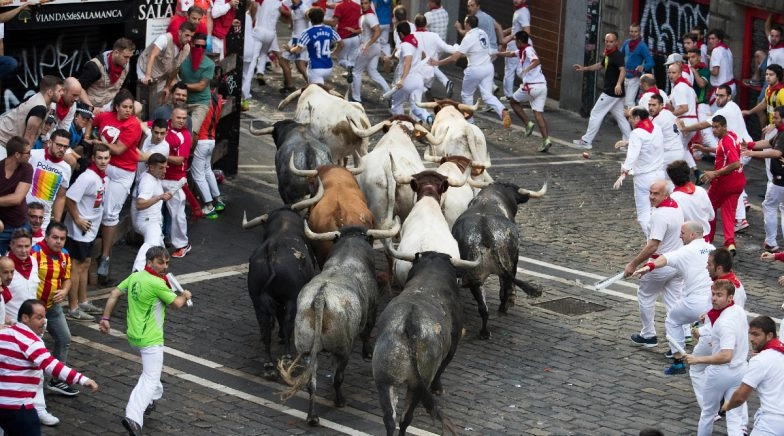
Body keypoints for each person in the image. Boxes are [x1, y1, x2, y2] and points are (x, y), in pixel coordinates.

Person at [99, 246, 192, 435]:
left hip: (133, 335)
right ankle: (133, 416)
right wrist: (184, 295)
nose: (164, 266)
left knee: (153, 375)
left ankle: (149, 401)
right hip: (150, 339)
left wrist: (105, 319)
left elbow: (115, 294)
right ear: (149, 262)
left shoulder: (135, 277)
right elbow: (176, 304)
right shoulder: (157, 284)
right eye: (160, 262)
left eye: (167, 262)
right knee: (150, 379)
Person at [0, 299, 98, 435]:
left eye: (45, 317)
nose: (44, 321)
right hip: (19, 406)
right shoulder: (31, 342)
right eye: (39, 318)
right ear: (25, 318)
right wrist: (82, 380)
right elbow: (52, 366)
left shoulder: (5, 333)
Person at [633, 221, 714, 375]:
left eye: (682, 233)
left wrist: (647, 267)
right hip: (715, 302)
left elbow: (665, 259)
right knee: (712, 332)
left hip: (695, 303)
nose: (679, 236)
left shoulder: (686, 251)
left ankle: (677, 360)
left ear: (691, 235)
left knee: (673, 320)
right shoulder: (711, 248)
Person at [624, 180, 684, 347]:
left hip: (660, 264)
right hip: (677, 263)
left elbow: (652, 245)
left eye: (656, 193)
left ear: (666, 194)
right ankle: (678, 341)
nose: (651, 197)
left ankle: (648, 334)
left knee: (646, 296)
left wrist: (633, 263)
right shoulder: (675, 206)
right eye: (650, 193)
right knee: (673, 302)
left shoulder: (660, 215)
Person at [685, 279, 748, 436]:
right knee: (735, 418)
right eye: (713, 294)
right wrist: (703, 331)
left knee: (708, 413)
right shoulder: (738, 311)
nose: (714, 298)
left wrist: (698, 359)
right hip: (740, 371)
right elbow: (718, 328)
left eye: (719, 295)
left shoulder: (724, 322)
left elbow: (726, 355)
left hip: (721, 373)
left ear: (729, 298)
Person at [92, 90, 143, 284]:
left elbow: (120, 149)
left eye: (131, 107)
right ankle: (95, 249)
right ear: (117, 107)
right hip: (104, 166)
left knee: (110, 213)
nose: (128, 110)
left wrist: (97, 142)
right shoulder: (106, 116)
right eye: (125, 107)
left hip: (123, 171)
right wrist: (89, 132)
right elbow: (92, 120)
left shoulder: (133, 125)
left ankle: (104, 257)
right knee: (96, 206)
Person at [431, 15, 512, 128]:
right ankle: (502, 110)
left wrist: (438, 63)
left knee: (467, 95)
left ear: (468, 24)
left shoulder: (469, 37)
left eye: (465, 22)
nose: (464, 24)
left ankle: (470, 123)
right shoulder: (482, 33)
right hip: (488, 68)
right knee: (487, 95)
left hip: (475, 69)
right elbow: (472, 51)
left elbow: (455, 58)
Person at [30, 222, 80, 393]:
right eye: (55, 237)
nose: (59, 241)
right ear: (46, 236)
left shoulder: (65, 255)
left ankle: (57, 380)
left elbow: (67, 278)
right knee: (34, 347)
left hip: (52, 307)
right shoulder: (34, 253)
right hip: (33, 311)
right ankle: (31, 385)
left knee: (64, 338)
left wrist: (65, 290)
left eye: (62, 239)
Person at [64, 144, 110, 320]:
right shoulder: (88, 177)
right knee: (76, 267)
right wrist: (77, 219)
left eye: (106, 158)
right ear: (93, 159)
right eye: (100, 158)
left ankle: (83, 301)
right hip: (79, 231)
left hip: (90, 229)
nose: (103, 161)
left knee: (85, 264)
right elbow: (69, 197)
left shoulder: (102, 178)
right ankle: (73, 307)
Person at [721, 315, 784, 434]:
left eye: (756, 334)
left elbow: (740, 397)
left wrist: (728, 406)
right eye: (750, 333)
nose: (751, 338)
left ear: (769, 335)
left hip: (771, 423)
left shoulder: (760, 360)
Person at [694, 115, 746, 255]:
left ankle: (706, 241)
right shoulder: (732, 136)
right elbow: (721, 151)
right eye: (713, 127)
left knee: (707, 208)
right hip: (738, 182)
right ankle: (730, 243)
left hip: (724, 183)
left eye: (717, 127)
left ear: (724, 127)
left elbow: (735, 163)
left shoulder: (726, 141)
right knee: (728, 214)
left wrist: (715, 173)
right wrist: (705, 149)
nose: (714, 130)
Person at [571, 32, 631, 149]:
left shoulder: (617, 55)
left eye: (611, 41)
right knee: (620, 118)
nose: (608, 43)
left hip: (611, 92)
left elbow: (623, 71)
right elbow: (600, 65)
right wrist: (584, 68)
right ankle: (631, 143)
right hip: (615, 93)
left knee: (595, 113)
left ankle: (586, 141)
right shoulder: (609, 54)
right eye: (607, 41)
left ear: (616, 42)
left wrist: (618, 84)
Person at [612, 107, 664, 237]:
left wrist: (623, 173)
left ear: (637, 118)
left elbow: (632, 157)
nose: (628, 120)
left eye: (630, 117)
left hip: (644, 178)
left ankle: (653, 241)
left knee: (643, 215)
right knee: (657, 211)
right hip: (659, 175)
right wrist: (628, 143)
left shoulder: (637, 133)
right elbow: (648, 143)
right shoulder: (656, 128)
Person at [499, 30, 551, 152]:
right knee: (538, 114)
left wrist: (527, 69)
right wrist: (496, 53)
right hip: (542, 87)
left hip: (531, 87)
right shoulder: (522, 50)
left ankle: (527, 123)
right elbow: (511, 53)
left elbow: (536, 60)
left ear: (518, 41)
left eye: (515, 40)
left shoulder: (528, 50)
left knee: (513, 101)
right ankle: (546, 140)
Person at [743, 106, 784, 252]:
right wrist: (750, 145)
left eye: (777, 117)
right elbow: (768, 143)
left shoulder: (783, 133)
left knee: (770, 206)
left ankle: (771, 242)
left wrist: (751, 153)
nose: (774, 120)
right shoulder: (779, 133)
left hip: (780, 181)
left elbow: (775, 152)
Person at [0, 76, 63, 158]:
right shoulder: (39, 108)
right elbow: (28, 139)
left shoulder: (38, 98)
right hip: (2, 144)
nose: (62, 93)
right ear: (50, 92)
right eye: (59, 91)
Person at [25, 129, 73, 231]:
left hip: (43, 219)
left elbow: (61, 197)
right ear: (50, 142)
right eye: (59, 145)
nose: (62, 149)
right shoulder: (33, 155)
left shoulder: (66, 168)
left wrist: (56, 223)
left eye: (65, 147)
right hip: (24, 212)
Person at [131, 154, 171, 273]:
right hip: (148, 221)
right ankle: (136, 272)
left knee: (162, 253)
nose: (164, 171)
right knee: (151, 244)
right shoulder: (147, 181)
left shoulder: (153, 177)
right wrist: (159, 198)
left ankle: (159, 276)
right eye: (160, 168)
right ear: (151, 167)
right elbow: (140, 204)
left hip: (153, 220)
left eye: (165, 167)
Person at [162, 105, 193, 258]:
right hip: (158, 177)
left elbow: (180, 159)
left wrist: (159, 156)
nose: (181, 121)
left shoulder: (185, 136)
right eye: (178, 118)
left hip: (175, 180)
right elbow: (145, 126)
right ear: (171, 118)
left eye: (184, 118)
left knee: (177, 214)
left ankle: (182, 244)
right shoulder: (163, 126)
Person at [77, 37, 136, 114]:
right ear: (116, 52)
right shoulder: (95, 66)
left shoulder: (127, 66)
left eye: (130, 57)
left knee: (137, 106)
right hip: (94, 106)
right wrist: (91, 107)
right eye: (125, 57)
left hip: (112, 105)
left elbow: (123, 89)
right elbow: (80, 89)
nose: (128, 60)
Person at [137, 21, 195, 96]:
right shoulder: (165, 38)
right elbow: (152, 55)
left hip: (161, 75)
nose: (189, 39)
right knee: (147, 97)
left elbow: (176, 68)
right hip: (145, 69)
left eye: (191, 36)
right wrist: (147, 76)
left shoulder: (187, 48)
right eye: (187, 35)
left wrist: (167, 86)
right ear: (180, 32)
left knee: (162, 97)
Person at [387, 22, 430, 123]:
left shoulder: (405, 45)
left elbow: (408, 62)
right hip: (418, 80)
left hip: (407, 80)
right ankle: (428, 118)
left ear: (401, 34)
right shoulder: (415, 41)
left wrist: (402, 80)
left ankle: (403, 125)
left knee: (396, 104)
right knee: (416, 108)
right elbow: (423, 55)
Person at [288, 7, 342, 85]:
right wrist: (333, 53)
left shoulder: (307, 32)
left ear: (310, 18)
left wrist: (290, 49)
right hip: (328, 67)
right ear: (323, 17)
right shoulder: (329, 30)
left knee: (316, 93)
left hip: (315, 69)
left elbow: (297, 50)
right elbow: (341, 44)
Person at [350, 0, 390, 103]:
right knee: (373, 72)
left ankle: (356, 98)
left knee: (356, 72)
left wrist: (367, 44)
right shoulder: (366, 15)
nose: (363, 5)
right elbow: (366, 30)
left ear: (370, 4)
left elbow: (378, 32)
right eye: (362, 3)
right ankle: (389, 93)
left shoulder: (369, 16)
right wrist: (355, 31)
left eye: (366, 3)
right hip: (375, 48)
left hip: (369, 48)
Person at [0, 137, 33, 254]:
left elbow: (17, 198)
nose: (30, 155)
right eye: (27, 153)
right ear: (17, 155)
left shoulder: (27, 168)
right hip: (2, 227)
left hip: (21, 224)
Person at [179, 33, 215, 136]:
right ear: (191, 44)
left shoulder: (209, 64)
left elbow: (201, 86)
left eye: (203, 46)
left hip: (200, 102)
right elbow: (174, 74)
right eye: (197, 46)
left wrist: (182, 86)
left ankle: (191, 151)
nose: (200, 49)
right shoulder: (183, 58)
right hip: (182, 100)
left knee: (192, 132)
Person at [666, 160, 714, 235]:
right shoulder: (701, 191)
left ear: (672, 179)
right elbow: (711, 216)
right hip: (704, 238)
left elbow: (671, 224)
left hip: (685, 241)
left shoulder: (673, 198)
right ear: (688, 173)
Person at [500, 0, 530, 102]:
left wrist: (510, 38)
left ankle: (509, 95)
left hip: (515, 45)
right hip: (518, 45)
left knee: (510, 70)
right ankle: (532, 88)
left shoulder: (522, 12)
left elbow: (526, 30)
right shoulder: (520, 11)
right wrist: (508, 31)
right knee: (519, 70)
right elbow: (517, 27)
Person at [278, 0, 311, 91]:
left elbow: (310, 16)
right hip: (298, 38)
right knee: (299, 64)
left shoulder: (303, 7)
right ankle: (313, 85)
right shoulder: (294, 6)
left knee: (284, 61)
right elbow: (293, 22)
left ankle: (290, 85)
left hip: (298, 39)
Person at [620, 22, 654, 108]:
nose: (633, 34)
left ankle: (632, 120)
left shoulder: (642, 46)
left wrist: (643, 67)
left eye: (635, 32)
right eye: (631, 31)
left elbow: (651, 62)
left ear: (639, 33)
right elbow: (619, 56)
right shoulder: (626, 43)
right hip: (623, 76)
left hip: (634, 78)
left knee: (629, 102)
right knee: (621, 101)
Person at [327, 0, 361, 80]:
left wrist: (321, 20)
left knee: (341, 60)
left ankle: (348, 67)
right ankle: (351, 77)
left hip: (344, 38)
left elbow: (334, 23)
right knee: (352, 60)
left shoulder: (339, 6)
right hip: (356, 37)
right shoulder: (357, 6)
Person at [648, 94, 683, 168]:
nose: (651, 108)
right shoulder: (668, 112)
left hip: (669, 155)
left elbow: (647, 138)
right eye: (649, 105)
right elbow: (679, 122)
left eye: (654, 105)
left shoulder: (658, 120)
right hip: (678, 150)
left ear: (661, 105)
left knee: (660, 178)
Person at [706, 28, 736, 104]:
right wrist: (711, 59)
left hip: (722, 90)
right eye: (709, 39)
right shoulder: (727, 49)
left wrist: (705, 70)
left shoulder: (716, 51)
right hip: (731, 87)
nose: (710, 41)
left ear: (719, 40)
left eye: (713, 38)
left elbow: (715, 72)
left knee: (715, 114)